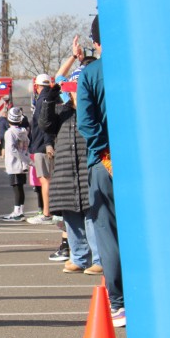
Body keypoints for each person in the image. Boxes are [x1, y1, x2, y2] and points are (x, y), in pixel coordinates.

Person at [77, 15, 124, 327]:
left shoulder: (91, 73)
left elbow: (86, 122)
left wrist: (103, 151)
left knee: (108, 233)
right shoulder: (138, 66)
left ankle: (119, 303)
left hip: (104, 162)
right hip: (143, 161)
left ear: (95, 41)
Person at [40, 47, 103, 275]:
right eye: (73, 89)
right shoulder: (62, 110)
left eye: (79, 88)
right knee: (71, 217)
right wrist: (53, 92)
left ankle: (99, 259)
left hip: (87, 170)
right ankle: (78, 257)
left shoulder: (93, 110)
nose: (76, 93)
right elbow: (45, 123)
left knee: (93, 216)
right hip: (66, 172)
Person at [27, 74, 56, 224]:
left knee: (45, 180)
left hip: (42, 145)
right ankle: (52, 212)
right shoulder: (52, 98)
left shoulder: (42, 100)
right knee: (48, 179)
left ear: (37, 87)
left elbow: (45, 123)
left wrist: (47, 143)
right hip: (45, 143)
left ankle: (47, 213)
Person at [2, 107, 31, 221]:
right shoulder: (23, 131)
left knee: (16, 188)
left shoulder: (9, 132)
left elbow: (12, 149)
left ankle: (17, 212)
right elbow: (27, 143)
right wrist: (26, 159)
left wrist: (23, 159)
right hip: (22, 165)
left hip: (13, 164)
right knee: (20, 188)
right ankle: (20, 211)